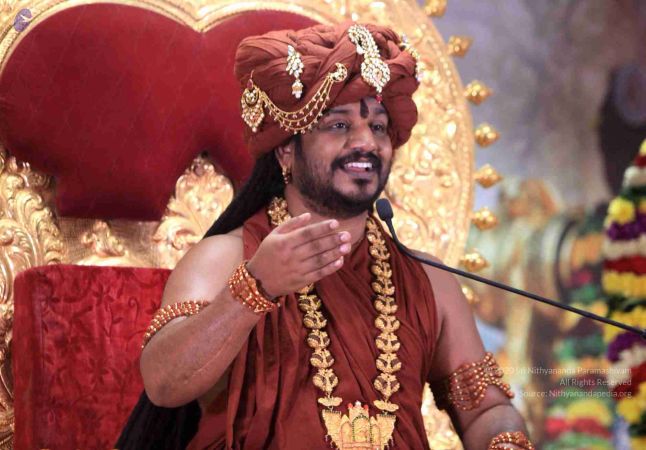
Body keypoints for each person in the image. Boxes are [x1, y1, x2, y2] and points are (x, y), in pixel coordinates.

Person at [119, 22, 533, 450]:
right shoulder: (224, 258)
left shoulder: (429, 280)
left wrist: (505, 441)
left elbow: (485, 410)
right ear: (286, 148)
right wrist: (255, 287)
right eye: (338, 126)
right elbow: (164, 384)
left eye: (378, 127)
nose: (366, 142)